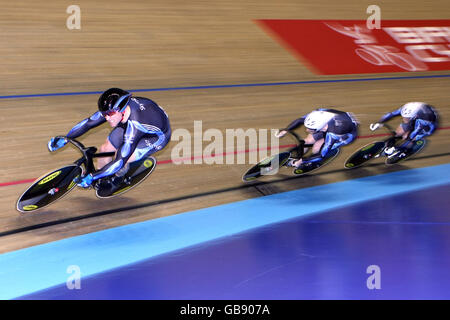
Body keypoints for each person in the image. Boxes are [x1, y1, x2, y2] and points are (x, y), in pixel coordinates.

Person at [48, 88, 171, 192]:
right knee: (104, 149)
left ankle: (117, 179)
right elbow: (88, 123)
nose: (106, 118)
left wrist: (92, 176)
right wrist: (66, 138)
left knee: (121, 156)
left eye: (109, 114)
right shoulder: (115, 111)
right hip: (130, 122)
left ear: (121, 110)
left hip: (155, 137)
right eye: (104, 114)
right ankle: (102, 178)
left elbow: (119, 161)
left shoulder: (135, 125)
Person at [276, 108, 359, 168]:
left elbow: (321, 155)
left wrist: (301, 161)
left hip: (346, 134)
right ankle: (296, 157)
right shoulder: (318, 113)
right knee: (307, 141)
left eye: (310, 129)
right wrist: (286, 130)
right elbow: (300, 120)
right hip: (333, 122)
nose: (307, 130)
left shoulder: (333, 134)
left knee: (317, 148)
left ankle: (307, 162)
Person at [370, 102, 438, 159]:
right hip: (418, 117)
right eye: (404, 117)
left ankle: (404, 150)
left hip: (428, 125)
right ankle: (389, 145)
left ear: (414, 116)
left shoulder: (423, 121)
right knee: (399, 133)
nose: (404, 119)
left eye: (407, 118)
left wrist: (398, 148)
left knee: (410, 137)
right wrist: (379, 122)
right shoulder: (407, 108)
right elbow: (392, 114)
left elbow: (413, 134)